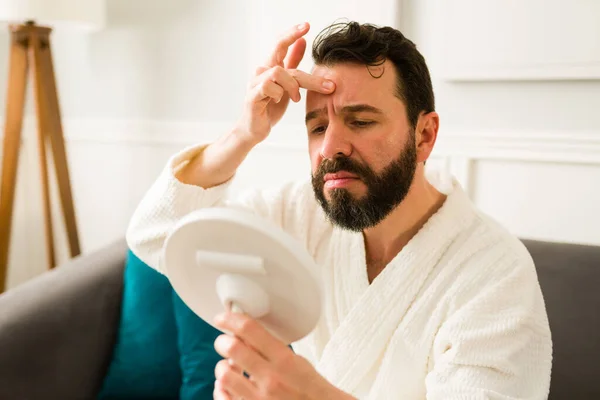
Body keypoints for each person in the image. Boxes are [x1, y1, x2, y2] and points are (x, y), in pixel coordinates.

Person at [126, 21, 552, 400]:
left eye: (361, 121)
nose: (330, 147)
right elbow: (156, 235)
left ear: (424, 135)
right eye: (316, 127)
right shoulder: (300, 215)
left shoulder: (495, 273)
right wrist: (243, 134)